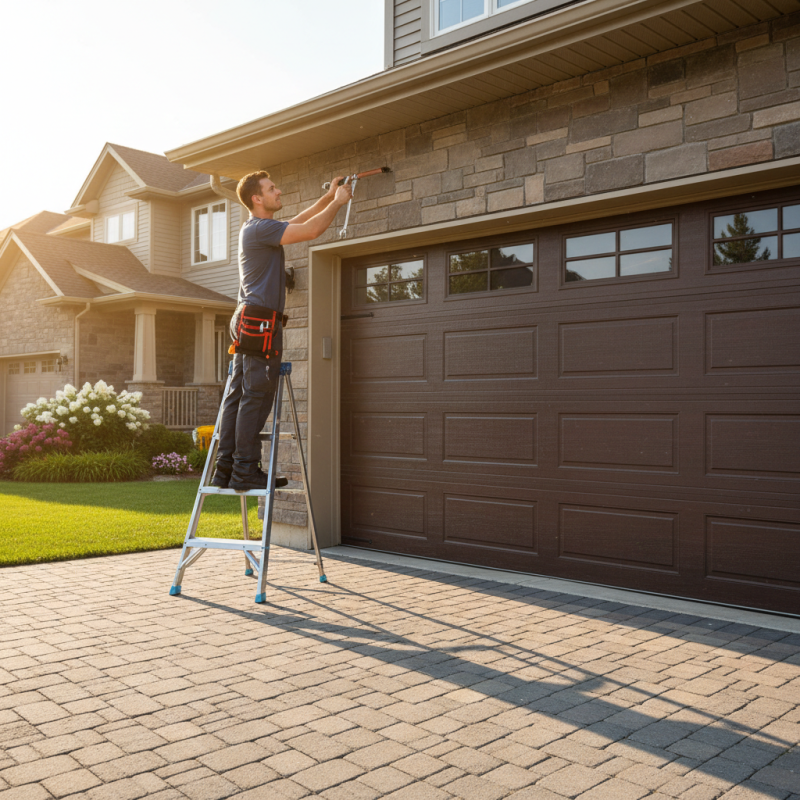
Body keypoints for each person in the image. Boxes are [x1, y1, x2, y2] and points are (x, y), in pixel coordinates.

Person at [211, 171, 352, 492]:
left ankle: (226, 467)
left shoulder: (259, 228)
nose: (279, 190)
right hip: (260, 322)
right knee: (256, 397)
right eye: (272, 188)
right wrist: (339, 204)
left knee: (238, 396)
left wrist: (330, 196)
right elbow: (312, 229)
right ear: (256, 199)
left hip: (248, 318)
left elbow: (301, 220)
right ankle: (245, 470)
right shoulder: (260, 229)